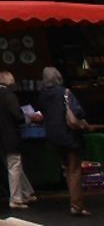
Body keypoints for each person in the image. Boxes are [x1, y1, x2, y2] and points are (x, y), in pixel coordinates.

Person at [38, 66, 90, 217]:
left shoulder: (42, 95)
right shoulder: (64, 92)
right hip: (68, 134)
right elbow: (78, 112)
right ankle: (77, 205)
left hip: (53, 135)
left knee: (67, 169)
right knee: (75, 169)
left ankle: (74, 201)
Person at [0, 70, 36, 209]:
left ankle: (27, 192)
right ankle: (16, 199)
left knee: (13, 165)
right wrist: (29, 117)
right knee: (14, 166)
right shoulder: (9, 96)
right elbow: (18, 116)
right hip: (10, 137)